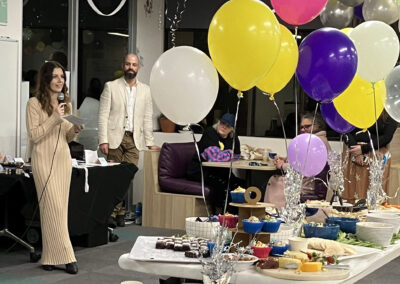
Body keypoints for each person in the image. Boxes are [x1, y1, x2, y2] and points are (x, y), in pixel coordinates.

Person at [26, 61, 83, 274]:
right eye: (56, 76)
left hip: (62, 160)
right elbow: (35, 135)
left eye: (62, 77)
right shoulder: (33, 104)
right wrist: (55, 118)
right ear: (47, 78)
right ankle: (68, 257)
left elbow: (67, 137)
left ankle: (49, 257)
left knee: (57, 211)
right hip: (42, 160)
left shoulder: (66, 104)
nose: (60, 81)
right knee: (53, 208)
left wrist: (75, 129)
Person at [98, 53, 160, 227]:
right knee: (113, 177)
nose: (130, 67)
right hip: (114, 139)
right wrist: (103, 140)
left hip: (135, 140)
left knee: (127, 178)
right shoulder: (111, 87)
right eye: (127, 64)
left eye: (134, 64)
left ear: (138, 67)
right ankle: (114, 213)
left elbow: (147, 118)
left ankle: (118, 210)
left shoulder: (146, 90)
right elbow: (103, 116)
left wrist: (149, 141)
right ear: (123, 65)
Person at [264, 113, 332, 208]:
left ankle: (274, 214)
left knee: (274, 181)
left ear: (317, 126)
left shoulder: (314, 142)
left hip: (306, 186)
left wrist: (282, 165)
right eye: (301, 127)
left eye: (307, 127)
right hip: (308, 182)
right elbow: (305, 160)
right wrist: (287, 159)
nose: (303, 130)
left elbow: (302, 168)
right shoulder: (319, 139)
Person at [186, 113, 244, 214]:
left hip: (218, 171)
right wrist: (229, 153)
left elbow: (237, 155)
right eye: (222, 123)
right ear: (218, 122)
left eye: (228, 126)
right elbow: (214, 157)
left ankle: (235, 216)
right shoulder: (210, 132)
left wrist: (225, 154)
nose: (224, 127)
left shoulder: (233, 137)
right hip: (200, 171)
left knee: (240, 185)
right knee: (223, 186)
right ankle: (220, 216)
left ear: (232, 129)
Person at [343, 110, 397, 203]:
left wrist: (363, 149)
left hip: (376, 155)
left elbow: (387, 137)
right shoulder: (356, 107)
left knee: (375, 194)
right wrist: (357, 152)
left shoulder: (389, 112)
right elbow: (345, 130)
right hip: (353, 152)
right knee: (352, 192)